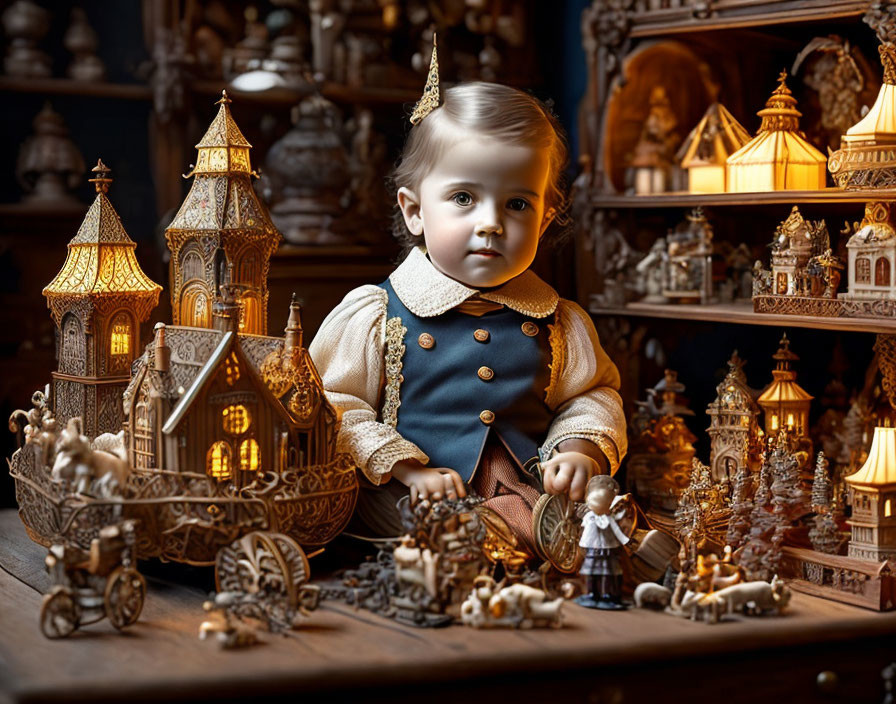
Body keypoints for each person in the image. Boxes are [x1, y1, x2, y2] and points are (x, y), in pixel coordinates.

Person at [308, 45, 626, 556]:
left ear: (544, 221)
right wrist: (409, 468)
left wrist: (578, 447)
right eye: (463, 198)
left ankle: (535, 546)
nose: (491, 222)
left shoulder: (558, 322)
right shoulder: (376, 314)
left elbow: (592, 396)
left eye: (518, 203)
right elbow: (333, 408)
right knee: (446, 534)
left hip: (524, 480)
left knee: (593, 519)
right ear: (414, 211)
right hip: (409, 489)